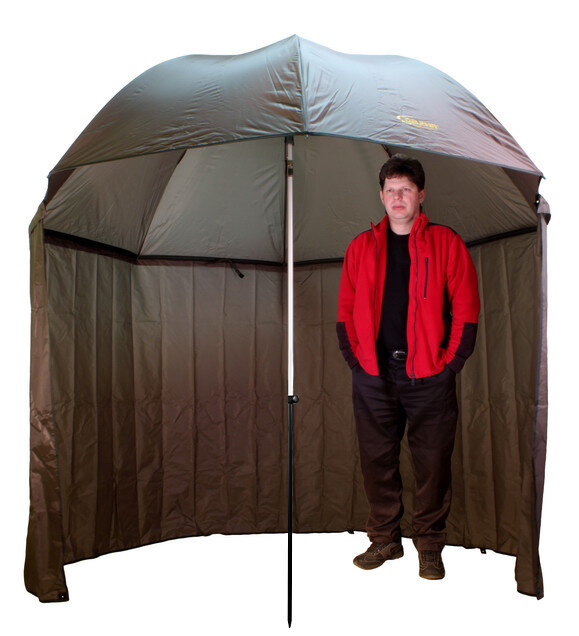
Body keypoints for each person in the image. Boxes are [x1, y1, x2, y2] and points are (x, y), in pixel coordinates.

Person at [336, 154, 480, 580]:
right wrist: (356, 360)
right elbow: (345, 311)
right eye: (391, 190)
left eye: (406, 189)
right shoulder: (360, 247)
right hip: (373, 374)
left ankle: (429, 546)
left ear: (420, 195)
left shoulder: (446, 243)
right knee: (376, 461)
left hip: (429, 376)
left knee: (432, 463)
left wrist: (450, 364)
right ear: (381, 196)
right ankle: (384, 539)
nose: (398, 197)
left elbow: (467, 309)